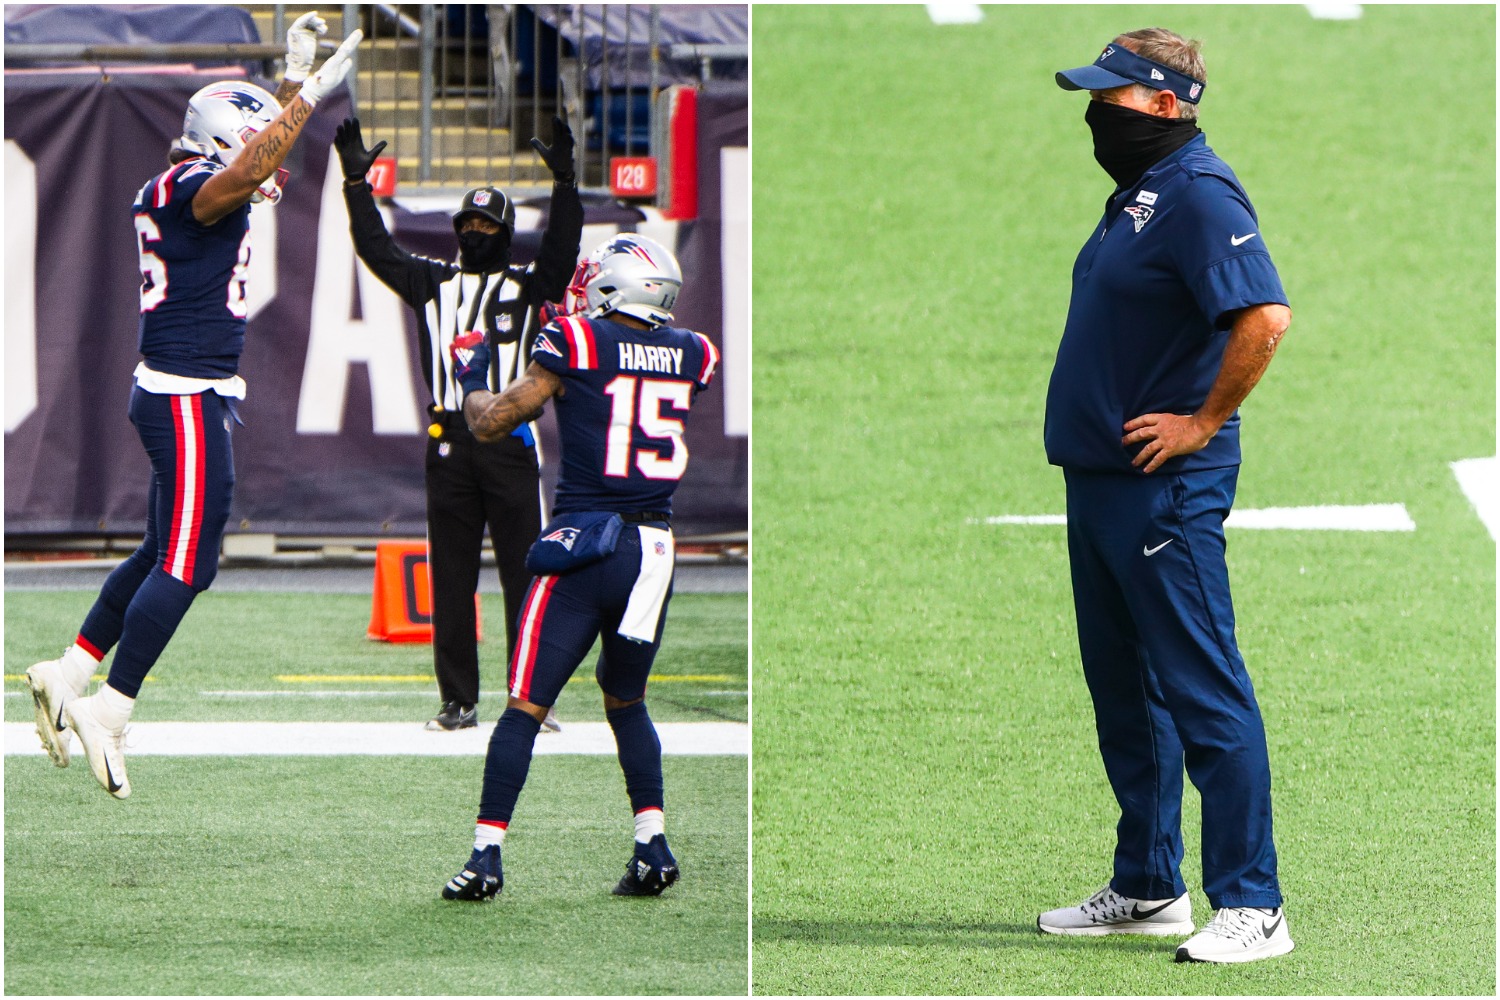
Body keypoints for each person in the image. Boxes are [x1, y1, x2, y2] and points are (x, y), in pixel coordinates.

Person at [23, 16, 363, 800]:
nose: (257, 147)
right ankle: (110, 710)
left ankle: (67, 670)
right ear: (216, 137)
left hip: (185, 392)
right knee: (189, 561)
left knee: (157, 551)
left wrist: (289, 80)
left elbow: (260, 170)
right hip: (183, 395)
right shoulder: (182, 187)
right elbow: (248, 174)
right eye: (245, 135)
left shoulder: (203, 177)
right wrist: (307, 98)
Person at [1036, 28, 1295, 964]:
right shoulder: (1142, 195)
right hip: (1103, 483)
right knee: (1126, 693)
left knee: (1202, 687)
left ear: (1161, 103)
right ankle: (1149, 885)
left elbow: (1264, 315)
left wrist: (1198, 421)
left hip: (1164, 489)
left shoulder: (1197, 193)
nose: (1094, 111)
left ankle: (1254, 905)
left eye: (1110, 95)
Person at [437, 234, 720, 901]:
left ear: (617, 285)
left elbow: (493, 423)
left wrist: (474, 379)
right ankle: (651, 842)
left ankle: (486, 856)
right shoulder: (695, 352)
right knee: (627, 700)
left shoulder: (576, 341)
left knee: (523, 706)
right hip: (653, 551)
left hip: (586, 543)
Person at [333, 115, 582, 734]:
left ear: (505, 232)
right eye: (467, 224)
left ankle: (531, 697)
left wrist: (567, 183)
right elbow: (376, 249)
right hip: (448, 442)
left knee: (528, 576)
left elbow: (561, 254)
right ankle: (458, 701)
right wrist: (356, 184)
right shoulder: (433, 282)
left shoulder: (526, 287)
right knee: (452, 577)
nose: (474, 232)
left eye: (487, 225)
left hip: (510, 443)